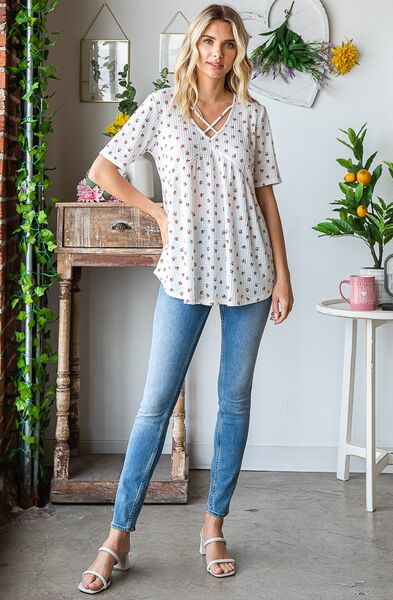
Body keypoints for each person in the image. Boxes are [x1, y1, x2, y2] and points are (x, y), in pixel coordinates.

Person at [78, 3, 293, 594]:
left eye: (228, 43)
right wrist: (155, 211)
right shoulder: (161, 108)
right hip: (184, 273)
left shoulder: (253, 115)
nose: (217, 53)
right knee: (154, 404)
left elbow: (266, 198)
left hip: (251, 270)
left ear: (238, 51)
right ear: (193, 47)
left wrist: (283, 274)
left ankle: (214, 527)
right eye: (208, 42)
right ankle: (118, 537)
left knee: (234, 400)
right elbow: (103, 169)